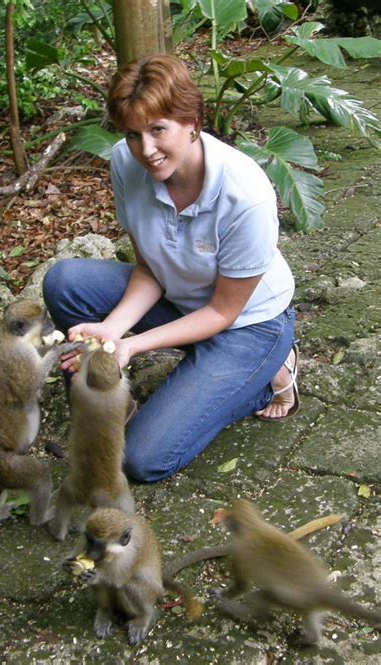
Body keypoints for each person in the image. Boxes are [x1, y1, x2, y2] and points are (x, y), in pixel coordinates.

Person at [43, 54, 298, 483]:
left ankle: (270, 371)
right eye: (132, 135)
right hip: (179, 297)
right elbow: (149, 268)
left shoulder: (245, 194)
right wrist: (112, 329)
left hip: (246, 324)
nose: (146, 150)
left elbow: (222, 313)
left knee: (142, 460)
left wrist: (133, 344)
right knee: (65, 281)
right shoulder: (128, 165)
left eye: (158, 130)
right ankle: (112, 400)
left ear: (192, 121)